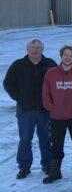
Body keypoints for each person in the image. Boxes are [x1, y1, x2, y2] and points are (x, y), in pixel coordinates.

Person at [3, 39, 57, 179]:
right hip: (25, 110)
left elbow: (58, 82)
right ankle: (24, 167)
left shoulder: (50, 64)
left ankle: (47, 165)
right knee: (25, 139)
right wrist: (19, 98)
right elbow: (8, 83)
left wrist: (53, 100)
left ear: (42, 49)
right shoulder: (18, 65)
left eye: (38, 47)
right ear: (27, 49)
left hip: (45, 110)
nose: (35, 50)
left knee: (45, 138)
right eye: (32, 47)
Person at [41, 45, 72, 183]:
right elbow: (46, 93)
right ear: (61, 56)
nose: (68, 57)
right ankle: (55, 172)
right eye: (65, 55)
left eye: (71, 55)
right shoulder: (51, 73)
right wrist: (51, 107)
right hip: (57, 117)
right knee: (56, 145)